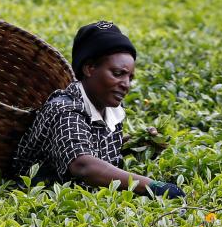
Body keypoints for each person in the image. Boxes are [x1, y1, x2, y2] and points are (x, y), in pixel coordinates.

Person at [12, 21, 183, 199]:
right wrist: (153, 186)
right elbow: (83, 165)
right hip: (42, 203)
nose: (126, 85)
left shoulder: (109, 108)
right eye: (118, 74)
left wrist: (140, 143)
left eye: (130, 77)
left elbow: (100, 153)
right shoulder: (65, 109)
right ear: (89, 68)